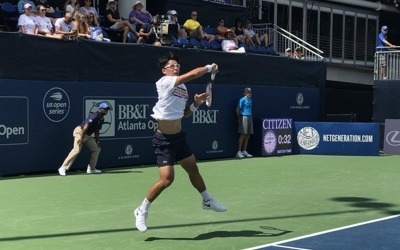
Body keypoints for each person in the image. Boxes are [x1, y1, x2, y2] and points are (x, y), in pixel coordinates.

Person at [133, 52, 227, 232]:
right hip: (163, 140)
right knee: (167, 180)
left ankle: (207, 200)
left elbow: (184, 114)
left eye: (177, 66)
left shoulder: (182, 89)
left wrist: (197, 104)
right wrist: (209, 68)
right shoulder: (164, 82)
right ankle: (141, 210)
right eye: (172, 66)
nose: (176, 68)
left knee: (193, 169)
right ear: (164, 70)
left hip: (179, 137)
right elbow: (193, 74)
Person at [58, 102, 110, 176]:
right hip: (80, 132)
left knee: (97, 149)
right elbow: (86, 126)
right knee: (76, 150)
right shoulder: (95, 115)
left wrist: (97, 141)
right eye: (105, 109)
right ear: (100, 109)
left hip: (87, 136)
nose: (106, 111)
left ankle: (91, 169)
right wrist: (81, 138)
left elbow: (97, 130)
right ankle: (63, 168)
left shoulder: (101, 119)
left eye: (107, 109)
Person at [236, 87, 253, 159]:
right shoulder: (242, 100)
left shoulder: (251, 100)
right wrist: (239, 118)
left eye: (250, 92)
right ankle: (239, 152)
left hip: (250, 117)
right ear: (245, 93)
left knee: (248, 134)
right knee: (243, 134)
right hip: (244, 117)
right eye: (248, 92)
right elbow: (237, 109)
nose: (250, 93)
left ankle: (244, 151)